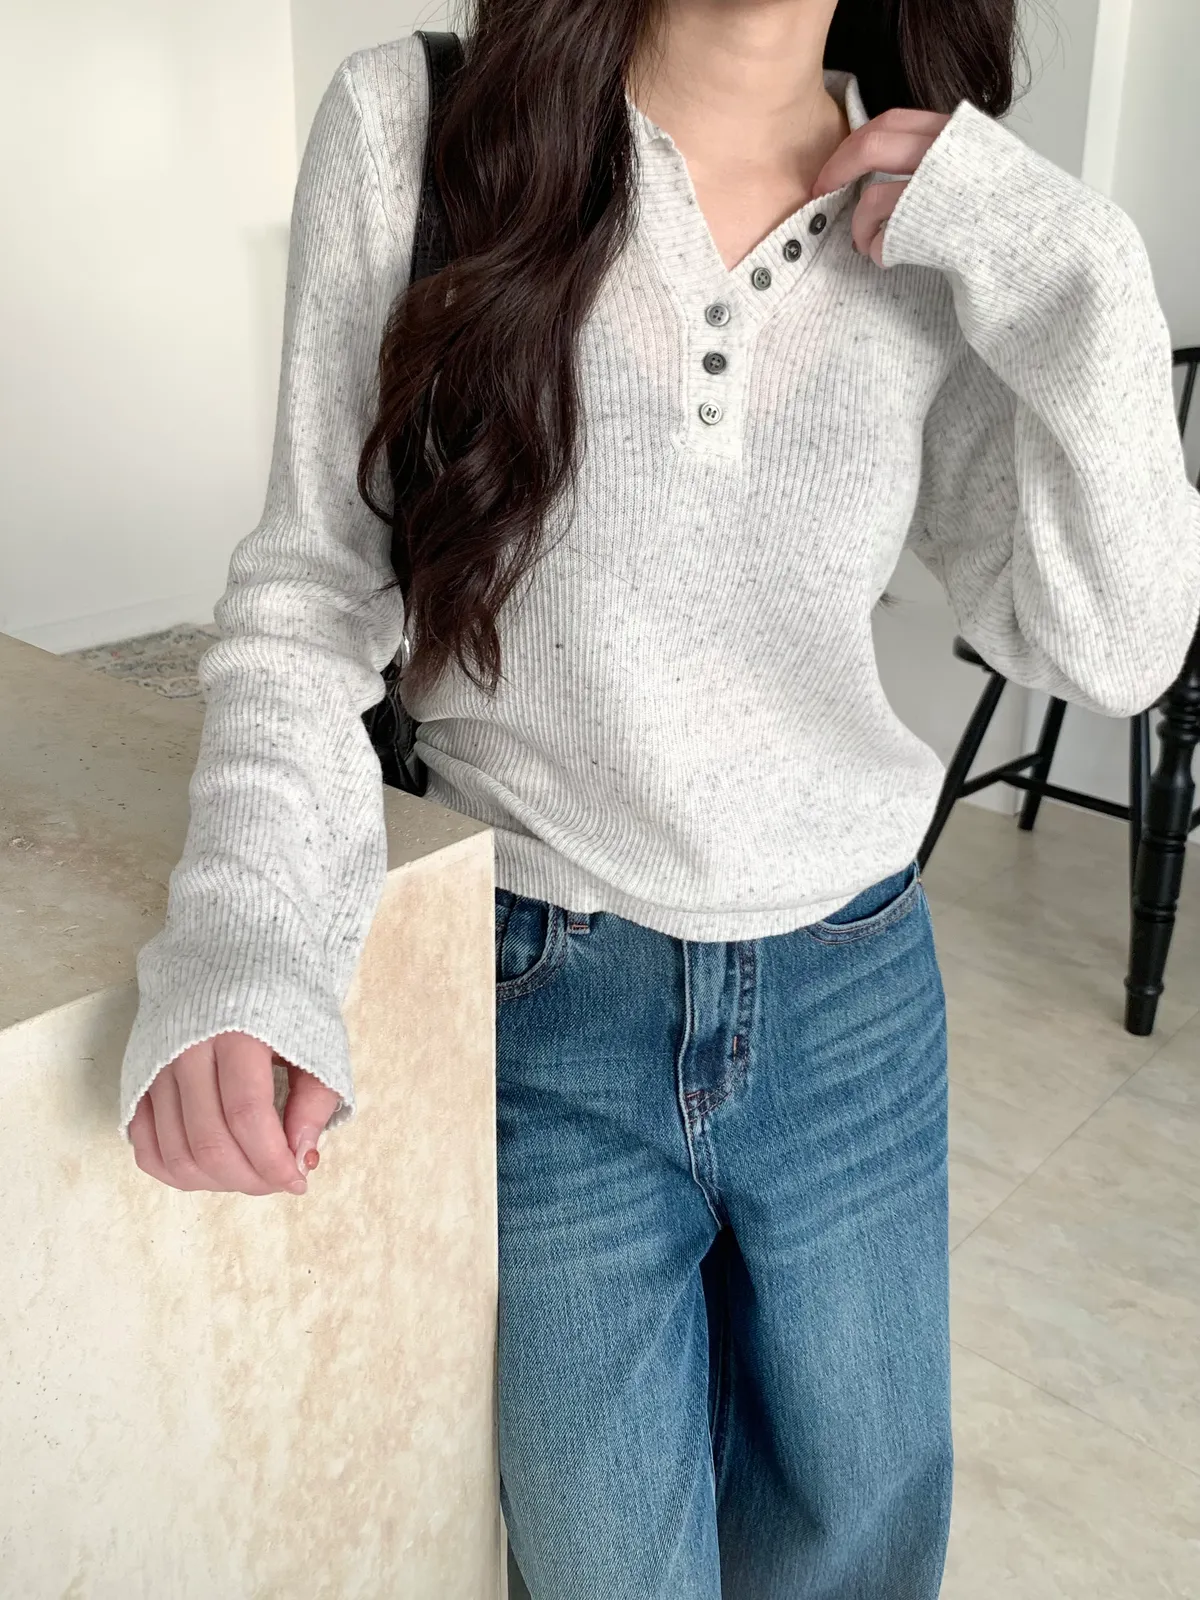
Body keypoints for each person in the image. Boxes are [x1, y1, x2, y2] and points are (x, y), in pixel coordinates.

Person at [119, 0, 1200, 1594]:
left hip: (854, 1007)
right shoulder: (420, 130)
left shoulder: (946, 208)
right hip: (540, 1001)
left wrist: (1084, 274)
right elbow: (309, 601)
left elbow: (1109, 646)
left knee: (859, 1555)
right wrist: (245, 941)